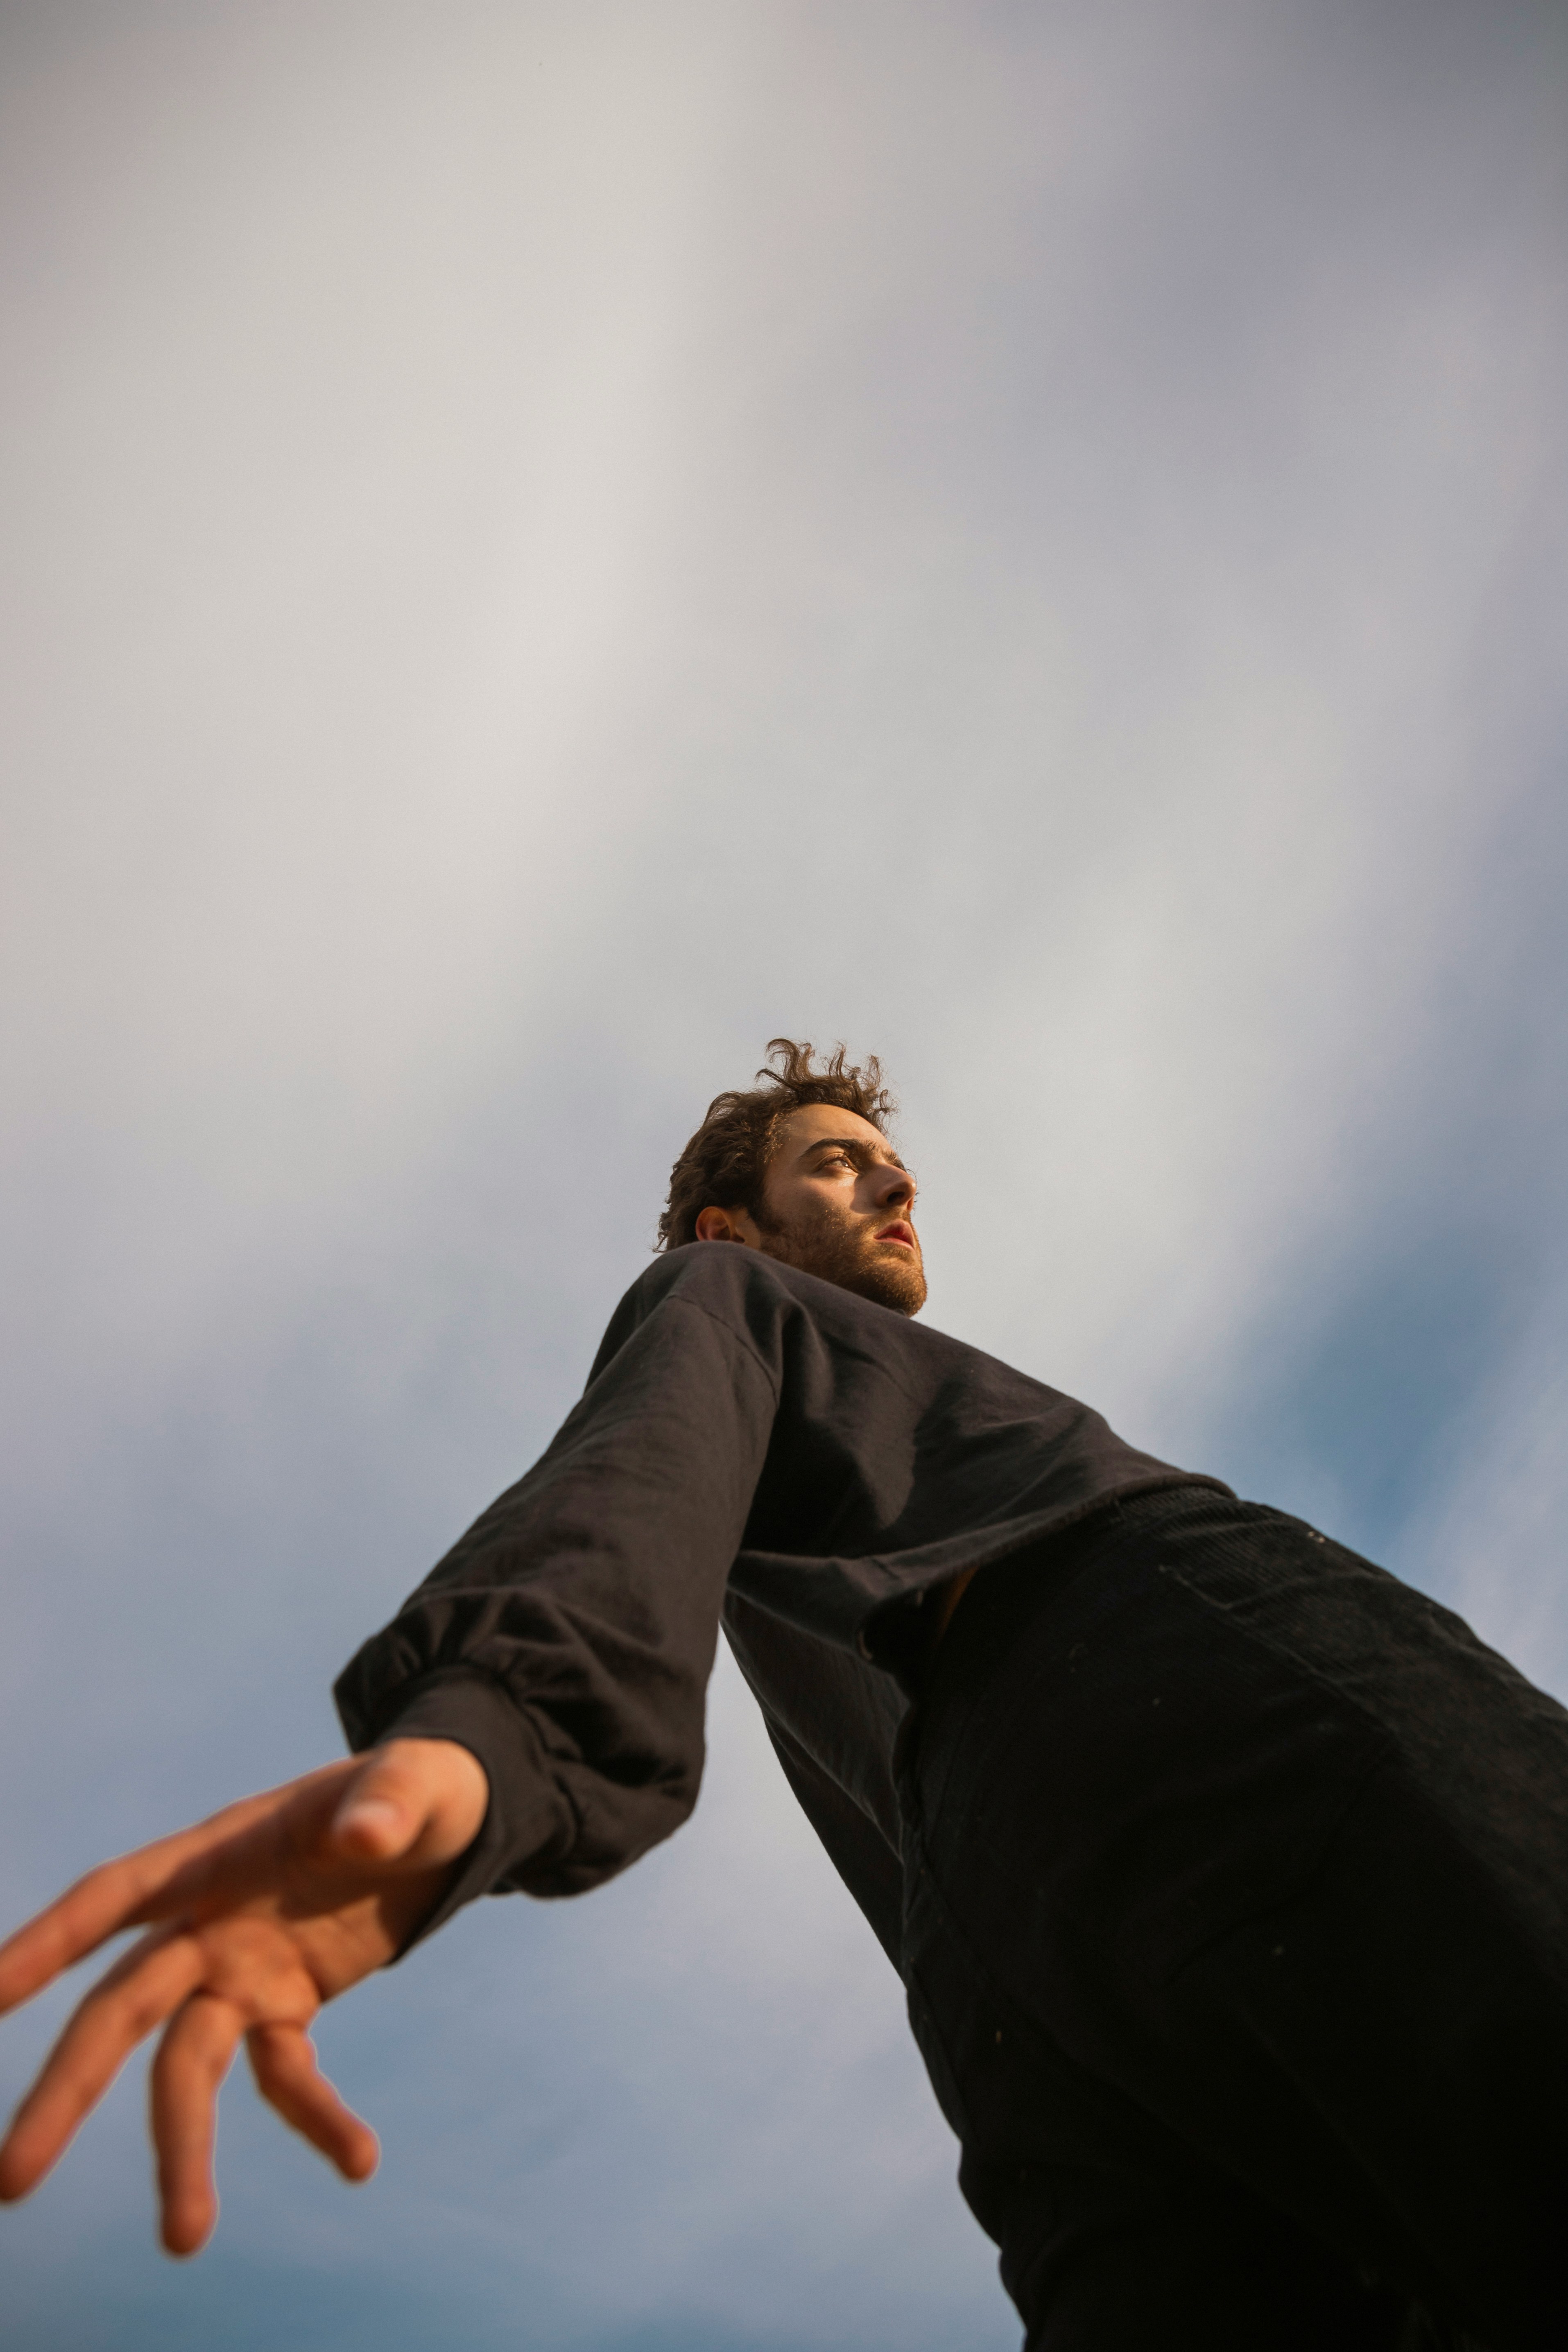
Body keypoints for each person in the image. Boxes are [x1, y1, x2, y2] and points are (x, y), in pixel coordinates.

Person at [1, 1040, 1564, 2351]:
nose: (891, 1184)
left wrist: (499, 1747)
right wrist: (494, 1736)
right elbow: (639, 1472)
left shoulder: (800, 1520)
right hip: (1173, 1660)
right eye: (835, 1162)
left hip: (999, 1973)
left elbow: (659, 1501)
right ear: (723, 1232)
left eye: (892, 1167)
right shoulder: (730, 1307)